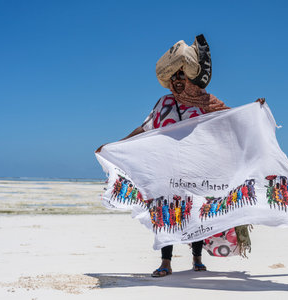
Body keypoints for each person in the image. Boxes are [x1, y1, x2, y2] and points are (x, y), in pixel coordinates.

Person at [96, 35, 265, 278]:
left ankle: (197, 259)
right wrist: (115, 145)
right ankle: (166, 262)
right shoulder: (164, 103)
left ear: (190, 76)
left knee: (195, 211)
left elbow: (235, 118)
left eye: (181, 75)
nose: (177, 80)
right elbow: (144, 129)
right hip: (167, 169)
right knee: (167, 212)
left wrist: (254, 110)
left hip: (198, 169)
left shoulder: (206, 101)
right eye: (173, 76)